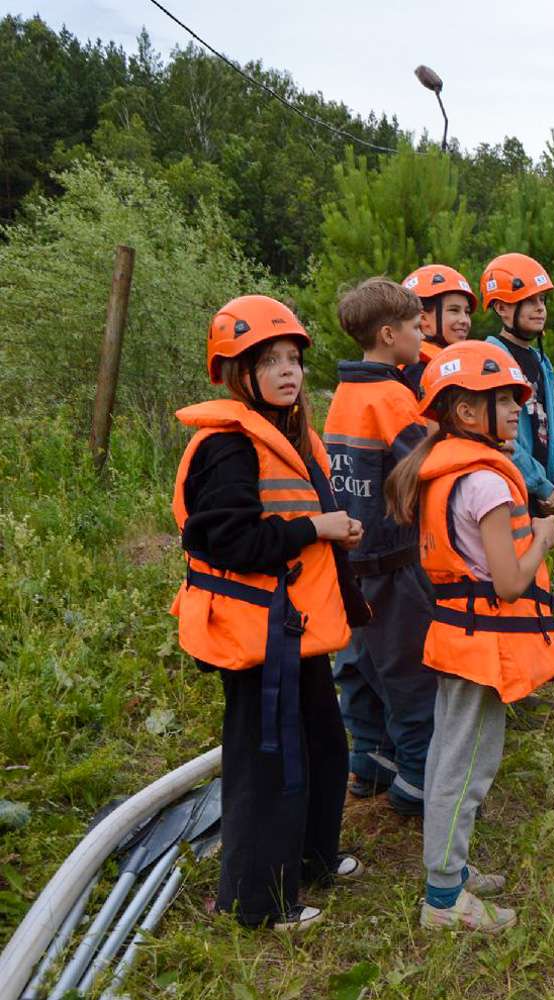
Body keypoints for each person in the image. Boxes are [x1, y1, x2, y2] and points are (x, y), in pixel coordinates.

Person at [171, 295, 366, 931]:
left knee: (321, 746)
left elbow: (296, 519)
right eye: (271, 361)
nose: (289, 372)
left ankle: (310, 855)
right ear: (236, 373)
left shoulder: (288, 433)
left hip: (294, 629)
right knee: (268, 763)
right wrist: (314, 528)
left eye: (294, 359)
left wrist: (333, 532)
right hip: (256, 635)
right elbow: (226, 540)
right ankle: (256, 901)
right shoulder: (227, 446)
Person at [384, 339, 554, 934]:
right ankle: (443, 901)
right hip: (481, 645)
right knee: (464, 771)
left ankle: (452, 872)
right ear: (466, 413)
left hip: (459, 637)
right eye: (505, 400)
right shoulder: (487, 484)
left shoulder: (452, 470)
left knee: (449, 757)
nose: (520, 408)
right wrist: (542, 536)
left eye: (519, 398)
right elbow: (511, 583)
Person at [323, 277, 436, 817]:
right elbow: (423, 466)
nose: (424, 335)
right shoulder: (392, 396)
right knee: (411, 674)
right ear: (389, 335)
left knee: (359, 667)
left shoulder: (345, 394)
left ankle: (367, 763)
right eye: (417, 327)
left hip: (349, 561)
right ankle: (417, 783)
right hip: (393, 562)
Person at [480, 252, 554, 518]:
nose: (540, 308)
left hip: (544, 497)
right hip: (512, 493)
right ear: (501, 308)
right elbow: (502, 440)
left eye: (542, 300)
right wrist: (543, 486)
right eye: (529, 300)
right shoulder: (490, 360)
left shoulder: (541, 361)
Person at [400, 263, 476, 395]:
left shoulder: (450, 364)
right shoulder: (416, 370)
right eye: (454, 310)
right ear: (423, 319)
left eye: (467, 312)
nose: (464, 320)